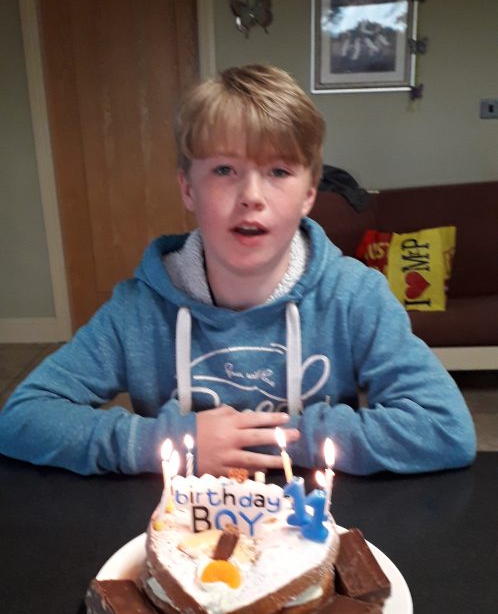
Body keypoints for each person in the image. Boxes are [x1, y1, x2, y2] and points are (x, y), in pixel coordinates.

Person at [0, 64, 476, 477]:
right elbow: (22, 419)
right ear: (188, 188)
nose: (251, 196)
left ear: (309, 193)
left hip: (311, 527)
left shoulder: (355, 297)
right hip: (185, 534)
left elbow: (444, 428)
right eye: (225, 170)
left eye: (279, 171)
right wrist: (174, 442)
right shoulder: (138, 311)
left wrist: (271, 440)